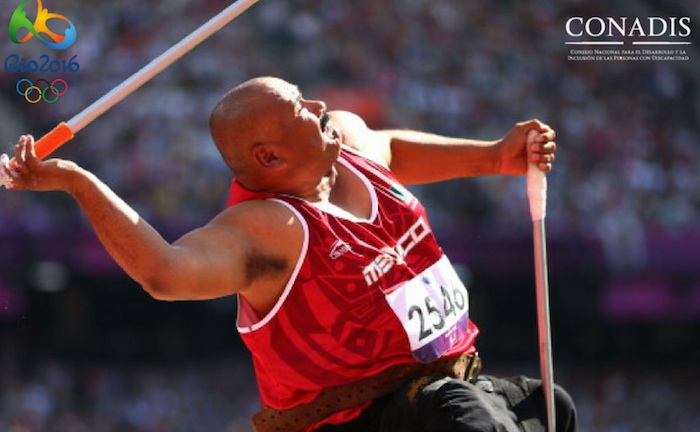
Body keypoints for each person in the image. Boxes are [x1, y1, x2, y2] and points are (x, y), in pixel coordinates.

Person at [1, 76, 576, 432]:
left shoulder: (344, 143)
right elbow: (164, 273)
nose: (320, 103)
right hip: (361, 420)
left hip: (447, 386)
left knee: (551, 408)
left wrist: (494, 157)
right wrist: (77, 182)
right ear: (270, 157)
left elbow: (394, 149)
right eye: (301, 106)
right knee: (468, 420)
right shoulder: (265, 230)